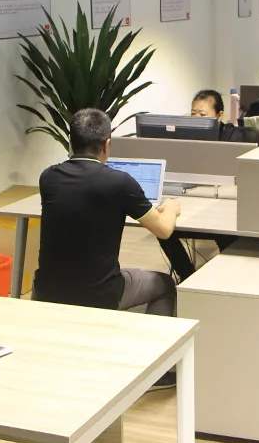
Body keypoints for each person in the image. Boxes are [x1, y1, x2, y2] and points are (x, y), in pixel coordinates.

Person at [34, 108, 181, 317]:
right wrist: (171, 207)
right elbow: (164, 230)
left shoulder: (48, 177)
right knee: (165, 284)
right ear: (107, 144)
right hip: (100, 295)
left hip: (46, 292)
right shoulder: (120, 183)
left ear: (70, 143)